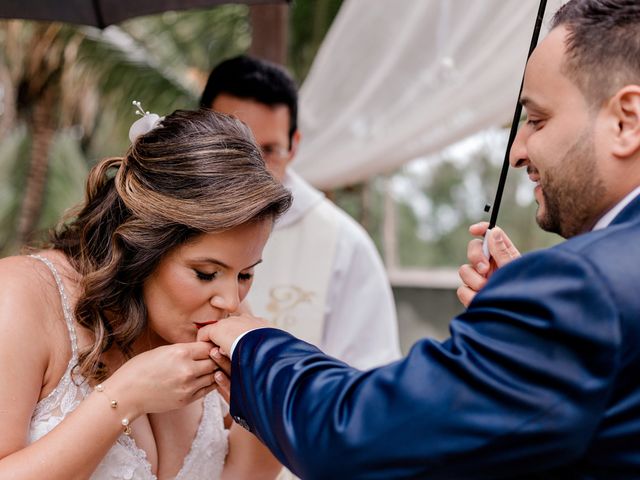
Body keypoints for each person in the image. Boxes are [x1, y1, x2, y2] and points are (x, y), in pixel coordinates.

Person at [197, 1, 640, 478]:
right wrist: (520, 330)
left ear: (626, 120)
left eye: (537, 119)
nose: (517, 151)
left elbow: (363, 438)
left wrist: (252, 344)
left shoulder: (580, 289)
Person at [0, 108, 292, 479]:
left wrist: (261, 404)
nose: (231, 301)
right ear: (143, 246)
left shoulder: (222, 314)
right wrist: (126, 396)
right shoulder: (23, 298)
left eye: (246, 273)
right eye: (205, 273)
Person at [200, 55, 401, 370]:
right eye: (233, 144)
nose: (249, 166)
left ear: (293, 146)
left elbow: (369, 378)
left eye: (268, 150)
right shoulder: (162, 223)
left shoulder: (345, 245)